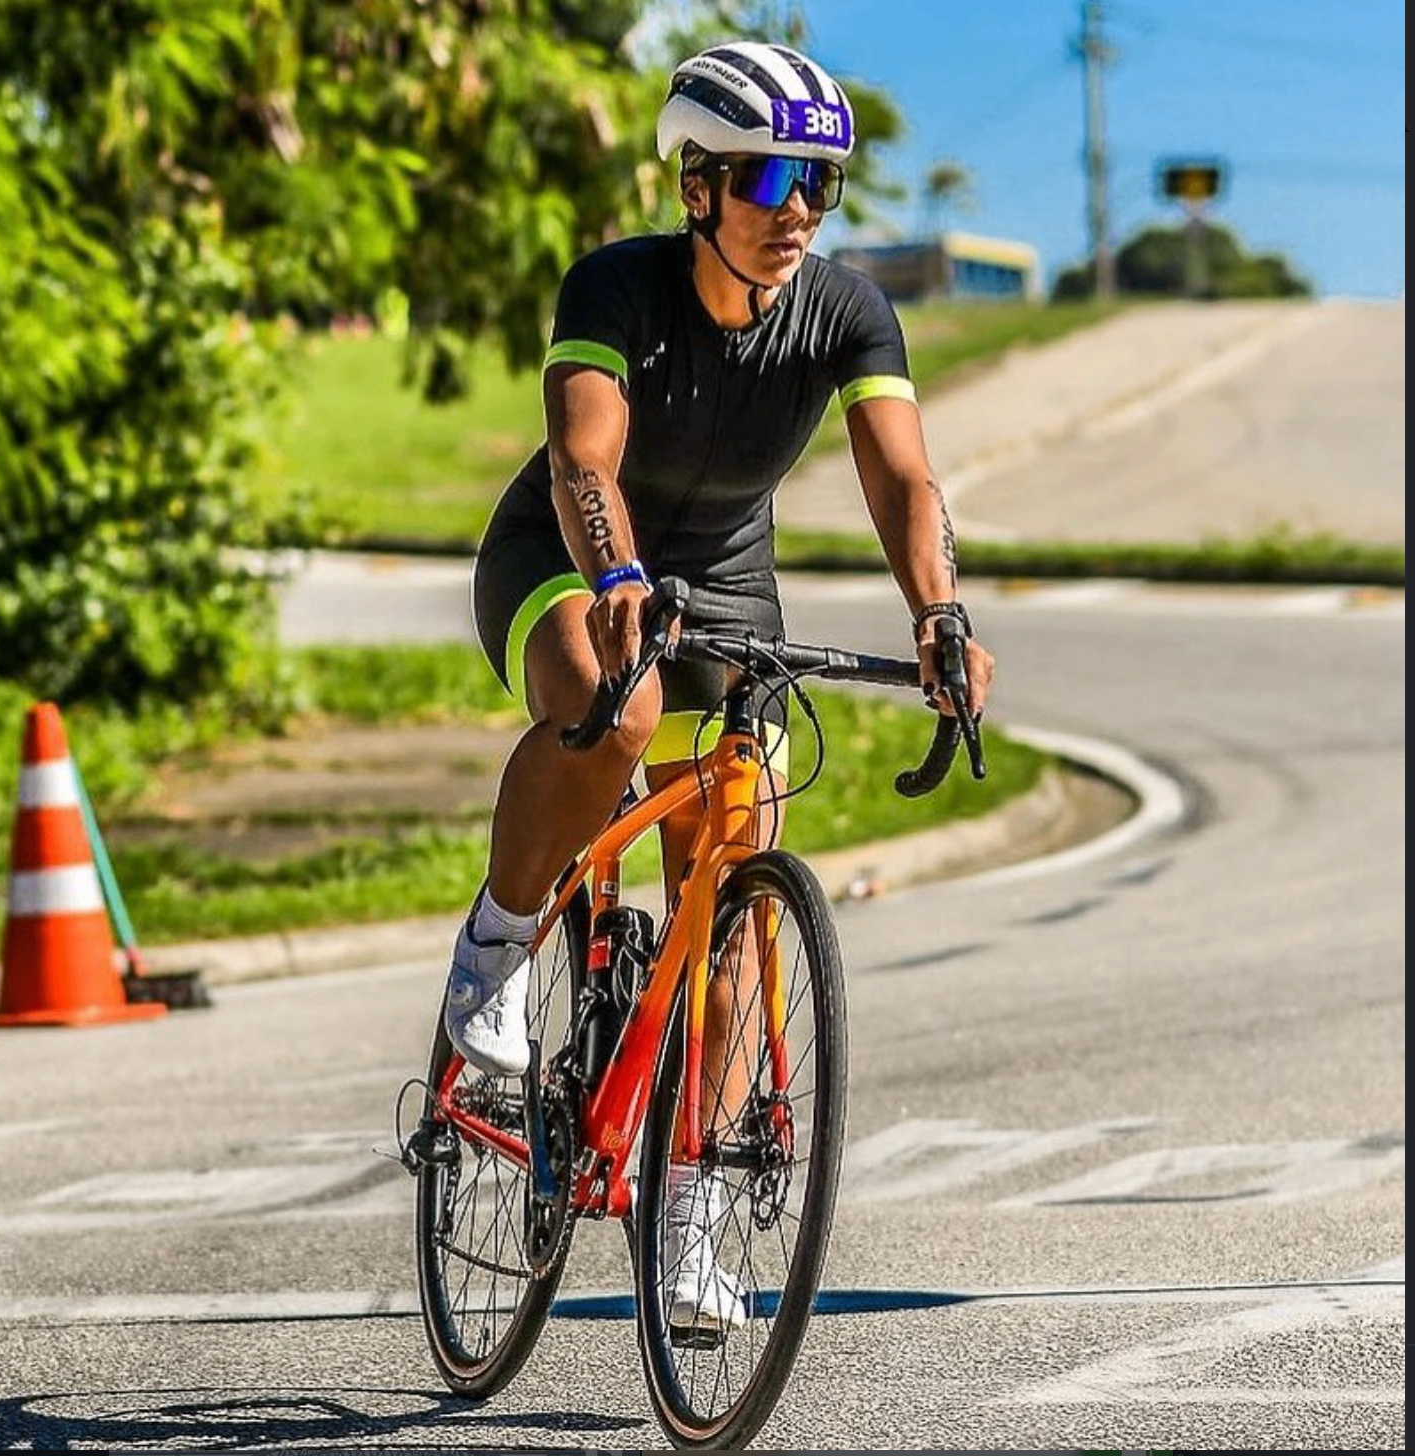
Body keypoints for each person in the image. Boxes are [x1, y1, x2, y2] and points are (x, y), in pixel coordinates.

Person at [444, 39, 996, 1327]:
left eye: (822, 184)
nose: (798, 210)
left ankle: (697, 1210)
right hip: (569, 552)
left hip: (729, 575)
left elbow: (902, 477)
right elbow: (586, 457)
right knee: (615, 706)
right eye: (768, 180)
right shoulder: (616, 286)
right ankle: (504, 940)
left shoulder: (849, 310)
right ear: (697, 182)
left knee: (738, 870)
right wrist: (621, 571)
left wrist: (940, 613)